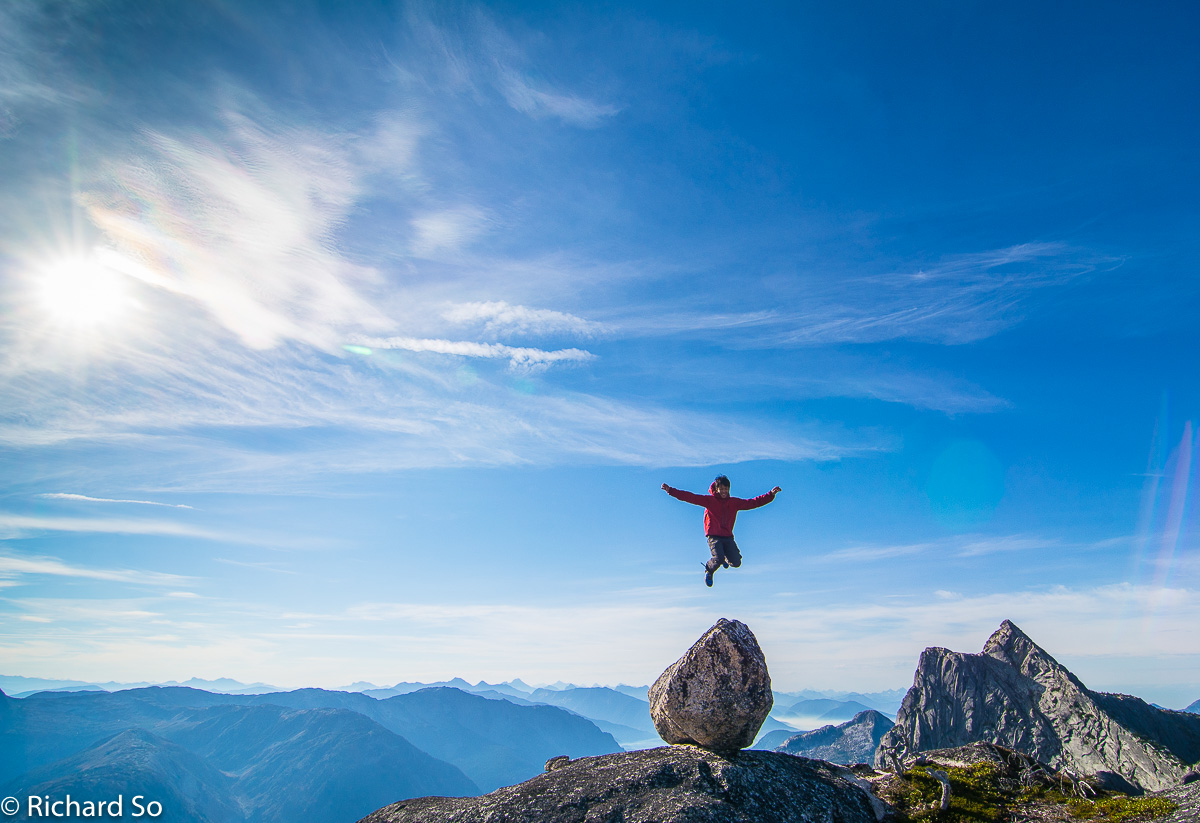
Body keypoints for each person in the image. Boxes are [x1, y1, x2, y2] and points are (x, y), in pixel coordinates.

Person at [661, 475, 782, 587]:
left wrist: (770, 495)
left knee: (736, 563)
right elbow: (690, 497)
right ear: (716, 488)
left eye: (726, 489)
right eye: (721, 489)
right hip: (714, 536)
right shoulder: (710, 501)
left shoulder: (734, 502)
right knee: (718, 558)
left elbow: (753, 502)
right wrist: (671, 491)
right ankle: (709, 569)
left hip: (728, 537)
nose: (724, 492)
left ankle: (725, 558)